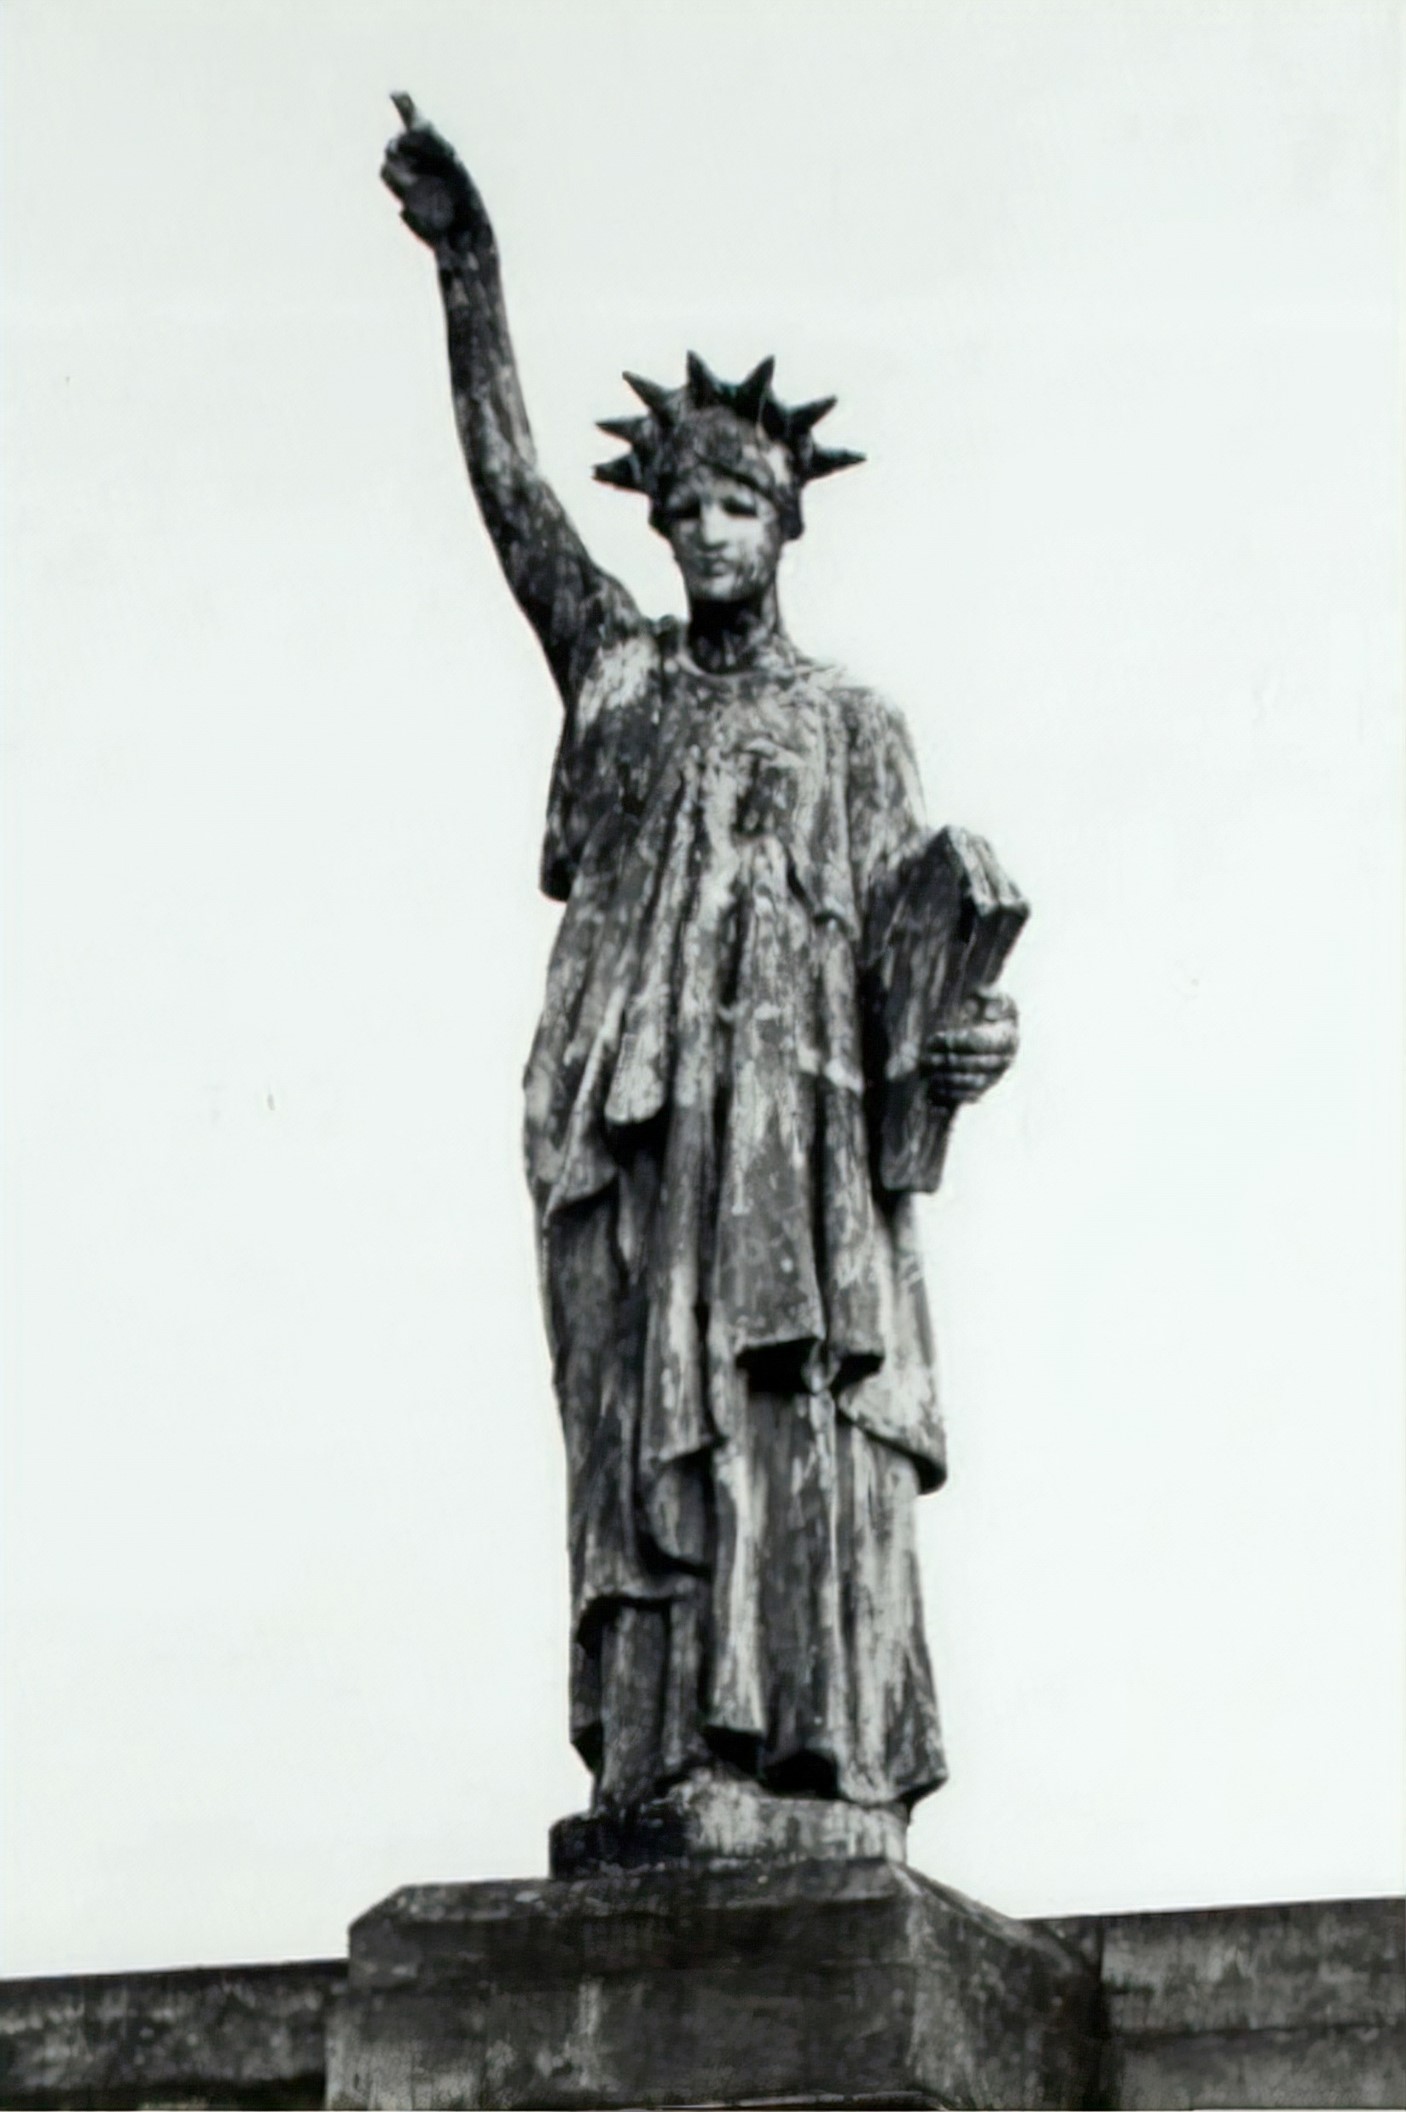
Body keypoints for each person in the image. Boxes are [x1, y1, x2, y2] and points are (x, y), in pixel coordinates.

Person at [381, 102, 1019, 1817]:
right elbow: (515, 500)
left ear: (788, 521)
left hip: (799, 1170)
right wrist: (470, 272)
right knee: (642, 1438)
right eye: (684, 510)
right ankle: (665, 1756)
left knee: (799, 1429)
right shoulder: (625, 676)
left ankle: (809, 1757)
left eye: (739, 502)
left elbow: (918, 973)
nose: (709, 532)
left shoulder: (854, 729)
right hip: (639, 1129)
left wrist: (973, 1038)